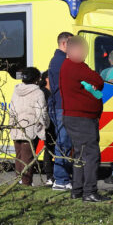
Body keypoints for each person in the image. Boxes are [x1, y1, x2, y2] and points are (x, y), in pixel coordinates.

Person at [59, 37, 109, 202]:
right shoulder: (77, 65)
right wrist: (93, 84)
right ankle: (89, 191)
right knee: (91, 155)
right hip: (83, 118)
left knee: (79, 155)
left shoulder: (66, 66)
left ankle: (77, 189)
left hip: (73, 117)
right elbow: (98, 81)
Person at [9, 66, 49, 186]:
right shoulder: (38, 93)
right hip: (30, 129)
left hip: (16, 127)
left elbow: (12, 110)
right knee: (28, 158)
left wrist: (12, 125)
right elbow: (41, 113)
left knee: (19, 156)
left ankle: (19, 181)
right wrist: (45, 125)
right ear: (36, 79)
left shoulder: (16, 90)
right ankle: (26, 183)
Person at [46, 32, 74, 191]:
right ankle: (61, 180)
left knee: (64, 143)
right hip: (62, 107)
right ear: (64, 44)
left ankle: (63, 178)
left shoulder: (57, 60)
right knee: (63, 143)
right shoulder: (62, 62)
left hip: (59, 106)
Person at [37, 70, 55, 184]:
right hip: (47, 124)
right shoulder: (43, 92)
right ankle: (49, 176)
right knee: (48, 149)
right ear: (47, 79)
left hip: (54, 123)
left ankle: (54, 175)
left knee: (52, 149)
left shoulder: (53, 91)